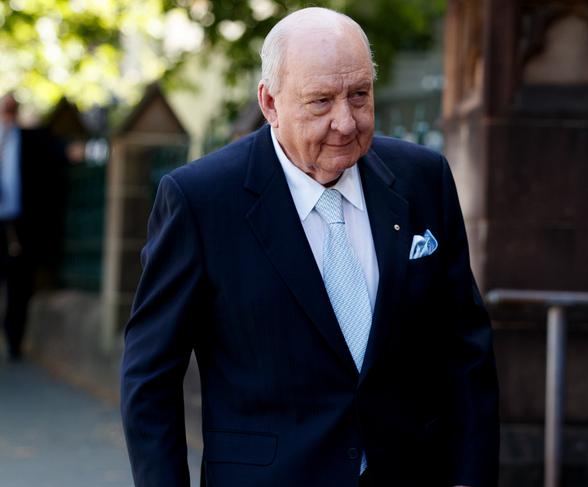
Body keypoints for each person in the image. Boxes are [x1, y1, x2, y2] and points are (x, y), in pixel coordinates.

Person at [121, 7, 499, 487]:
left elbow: (466, 350)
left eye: (359, 95)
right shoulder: (200, 201)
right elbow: (149, 380)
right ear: (270, 103)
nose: (345, 122)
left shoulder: (423, 180)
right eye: (321, 101)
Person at [0, 93, 65, 361]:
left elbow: (56, 157)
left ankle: (14, 340)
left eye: (12, 111)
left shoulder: (32, 139)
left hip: (20, 223)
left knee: (19, 284)